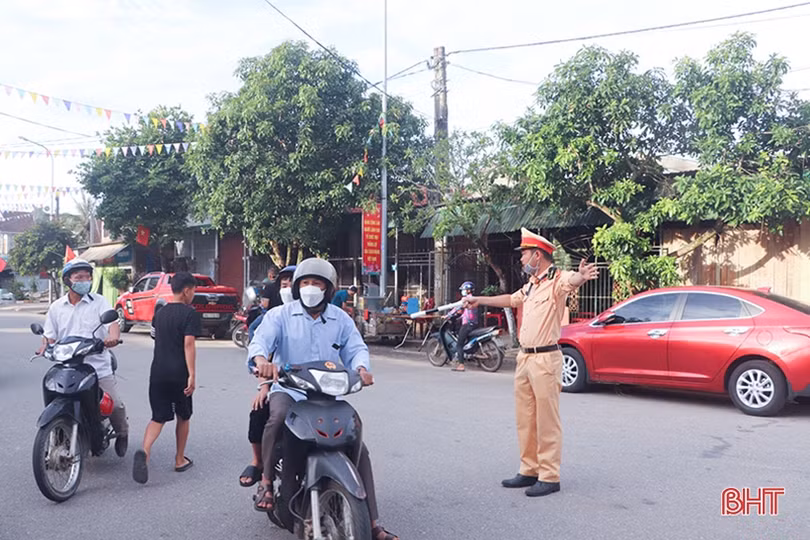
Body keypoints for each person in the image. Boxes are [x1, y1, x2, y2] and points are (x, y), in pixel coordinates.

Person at [248, 257, 399, 540]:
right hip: (290, 390)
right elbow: (260, 341)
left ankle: (374, 522)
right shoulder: (281, 315)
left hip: (326, 395)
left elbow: (355, 348)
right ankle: (266, 482)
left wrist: (362, 369)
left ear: (328, 289)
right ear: (296, 287)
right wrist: (260, 359)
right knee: (277, 416)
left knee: (358, 443)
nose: (310, 287)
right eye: (305, 283)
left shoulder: (340, 318)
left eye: (316, 283)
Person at [463, 228, 598, 497]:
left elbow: (572, 280)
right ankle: (529, 469)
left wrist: (581, 277)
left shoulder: (557, 281)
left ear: (538, 255)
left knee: (547, 420)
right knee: (525, 418)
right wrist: (479, 301)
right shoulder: (531, 285)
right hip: (525, 358)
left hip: (546, 358)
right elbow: (512, 299)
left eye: (524, 254)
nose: (522, 260)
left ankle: (549, 476)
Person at [40, 258, 128, 456]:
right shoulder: (56, 307)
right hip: (68, 366)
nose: (84, 280)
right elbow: (49, 335)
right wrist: (44, 346)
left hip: (97, 366)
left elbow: (112, 323)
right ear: (68, 280)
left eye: (87, 277)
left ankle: (122, 432)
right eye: (79, 277)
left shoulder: (99, 302)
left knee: (114, 404)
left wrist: (113, 337)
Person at [132, 272, 200, 484]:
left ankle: (145, 451)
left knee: (158, 417)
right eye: (194, 290)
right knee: (183, 415)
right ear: (187, 290)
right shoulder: (190, 314)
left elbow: (156, 336)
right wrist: (192, 375)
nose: (194, 294)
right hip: (178, 373)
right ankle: (179, 459)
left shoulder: (160, 312)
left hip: (158, 372)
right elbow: (188, 345)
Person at [239, 265, 295, 487]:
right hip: (280, 383)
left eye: (292, 282)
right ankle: (259, 464)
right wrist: (264, 386)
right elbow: (263, 353)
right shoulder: (274, 318)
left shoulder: (325, 316)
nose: (288, 287)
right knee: (259, 411)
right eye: (284, 283)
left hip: (316, 386)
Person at [446, 281, 480, 372]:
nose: (463, 291)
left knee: (459, 345)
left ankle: (461, 365)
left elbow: (457, 307)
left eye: (464, 290)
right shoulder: (473, 298)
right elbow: (466, 312)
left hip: (467, 325)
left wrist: (448, 315)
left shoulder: (466, 299)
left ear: (468, 290)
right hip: (474, 323)